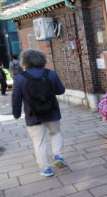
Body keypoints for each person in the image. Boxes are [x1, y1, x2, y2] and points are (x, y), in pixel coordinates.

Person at [12, 49, 67, 177]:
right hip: (52, 111)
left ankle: (46, 169)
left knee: (39, 142)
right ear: (42, 60)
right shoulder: (51, 74)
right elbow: (61, 90)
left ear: (24, 61)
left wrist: (16, 113)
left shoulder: (20, 78)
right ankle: (58, 156)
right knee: (56, 133)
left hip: (33, 115)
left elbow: (16, 98)